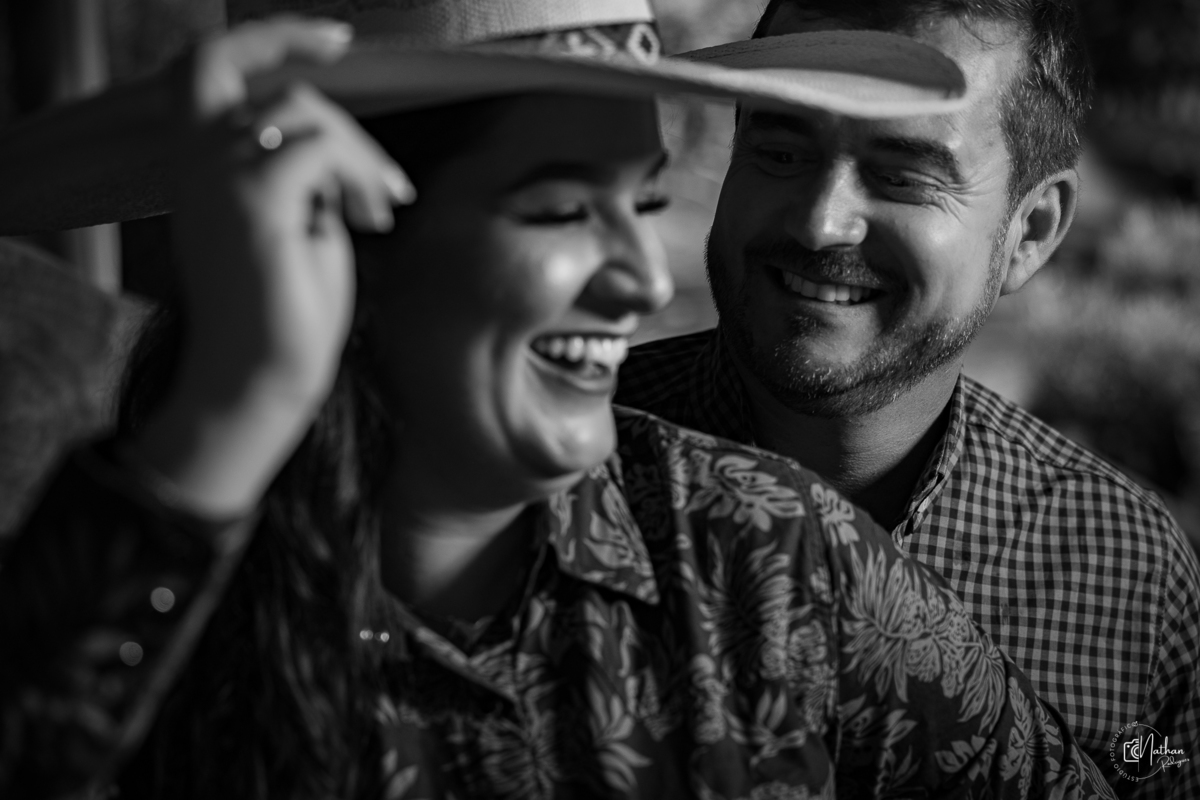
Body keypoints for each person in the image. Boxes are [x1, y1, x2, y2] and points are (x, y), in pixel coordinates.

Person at [0, 4, 1115, 799]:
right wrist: (245, 397)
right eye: (562, 210)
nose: (642, 282)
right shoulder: (134, 592)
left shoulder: (768, 557)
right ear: (334, 234)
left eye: (644, 203)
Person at [615, 1, 1200, 797]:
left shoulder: (1122, 563)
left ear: (1030, 231)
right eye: (780, 151)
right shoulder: (552, 469)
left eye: (903, 175)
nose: (821, 222)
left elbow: (1154, 770)